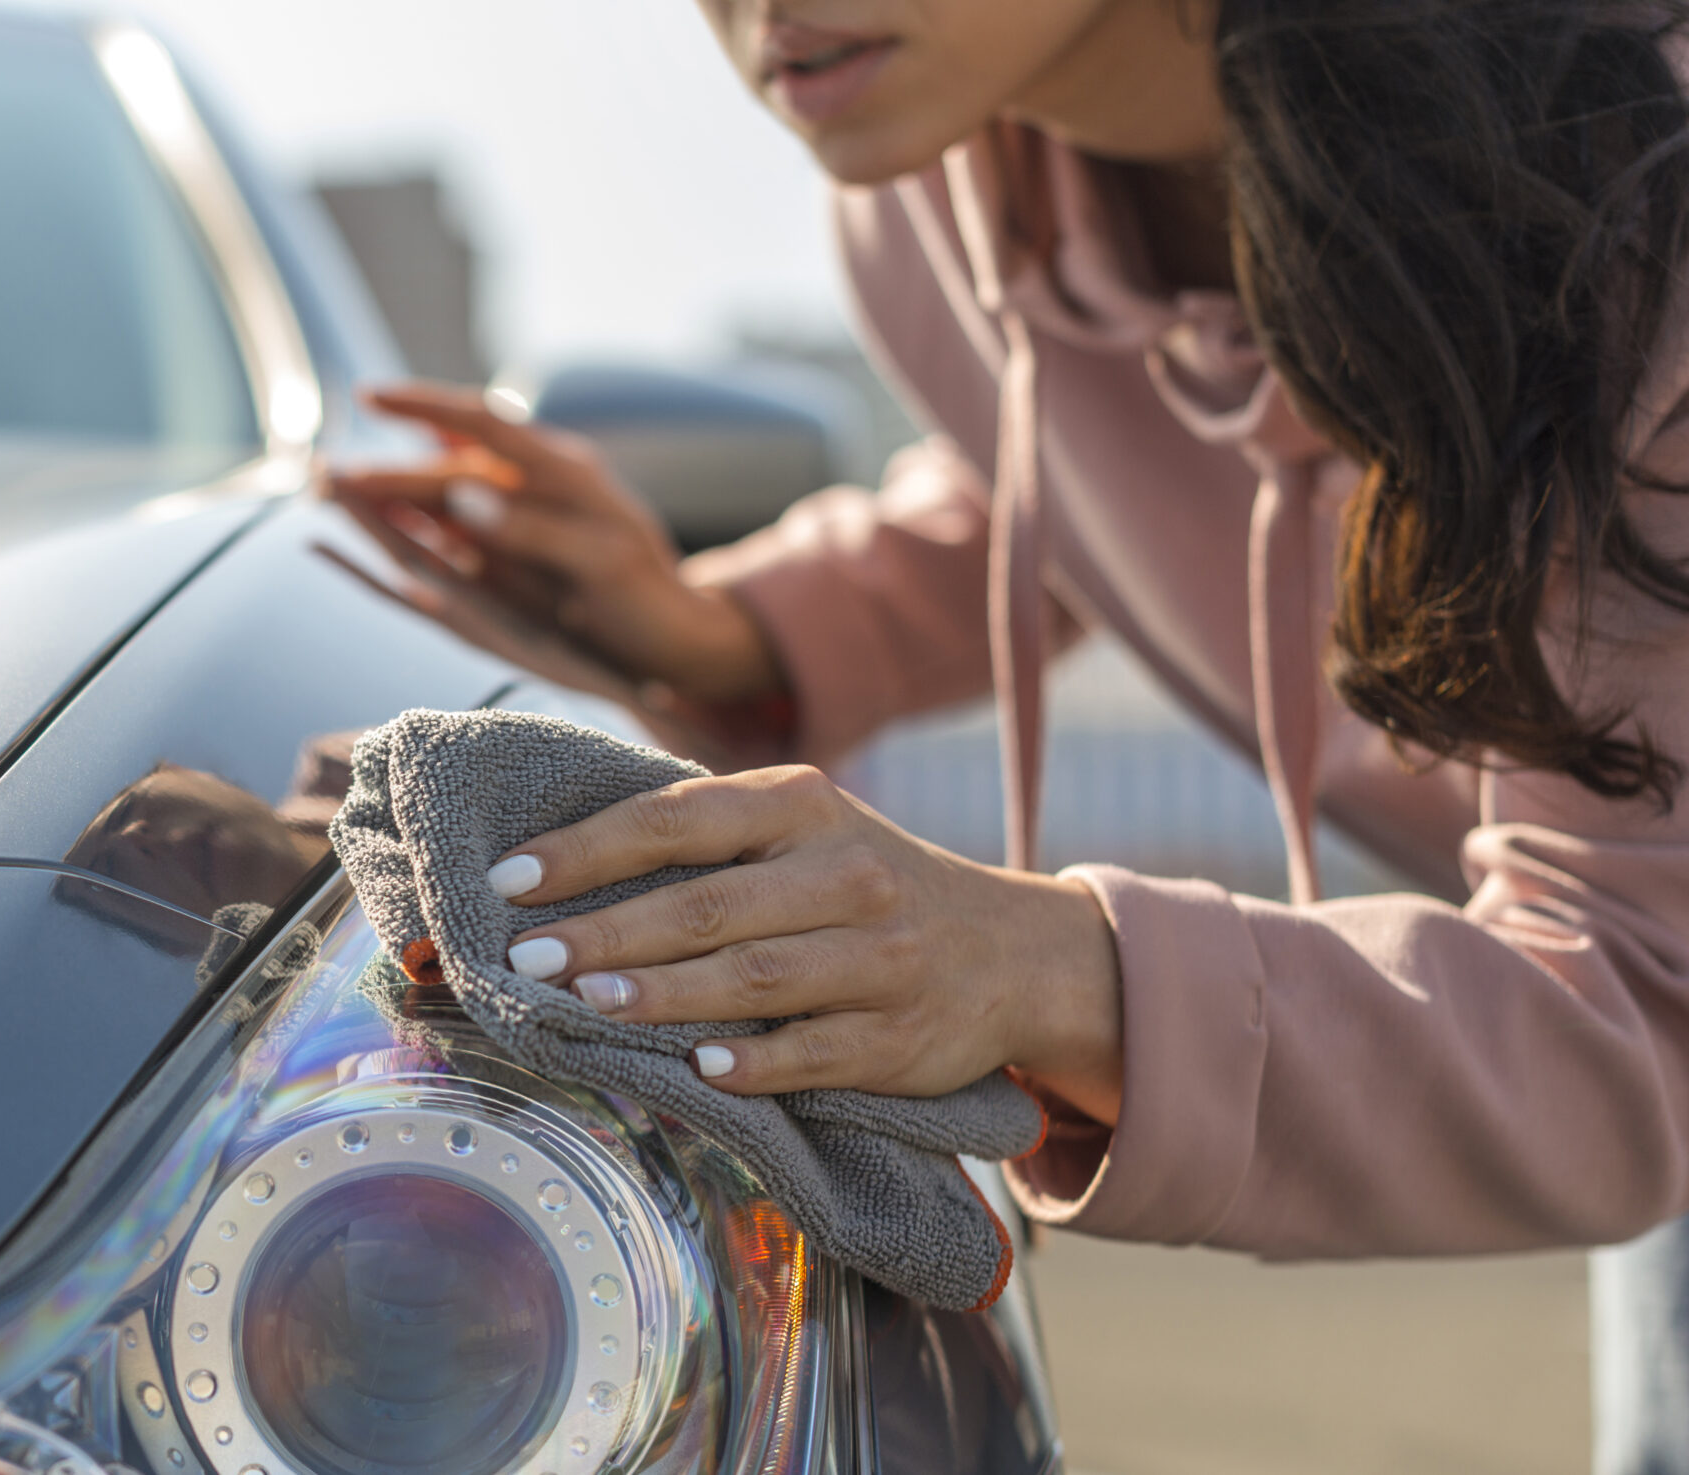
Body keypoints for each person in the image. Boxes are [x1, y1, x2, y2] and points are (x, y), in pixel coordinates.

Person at [326, 2, 1689, 1467]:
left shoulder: (1633, 195)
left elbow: (1643, 996)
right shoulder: (930, 196)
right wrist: (728, 636)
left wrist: (1038, 965)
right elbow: (1075, 469)